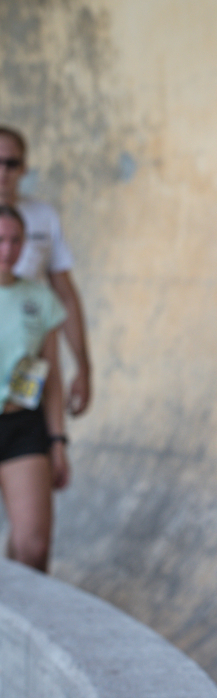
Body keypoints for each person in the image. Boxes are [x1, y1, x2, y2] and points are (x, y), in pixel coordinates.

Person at [0, 126, 92, 416]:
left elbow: (65, 295)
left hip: (27, 349)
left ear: (23, 168)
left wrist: (83, 367)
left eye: (11, 163)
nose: (3, 171)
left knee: (28, 425)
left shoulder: (43, 217)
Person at [0, 204, 69, 572]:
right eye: (0, 240)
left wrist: (58, 441)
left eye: (16, 241)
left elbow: (52, 377)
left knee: (34, 547)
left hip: (21, 423)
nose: (7, 250)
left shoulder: (40, 300)